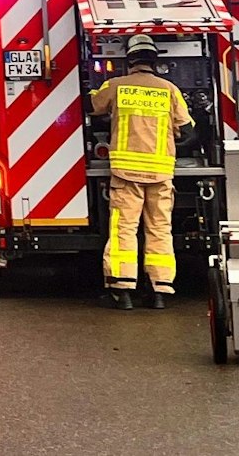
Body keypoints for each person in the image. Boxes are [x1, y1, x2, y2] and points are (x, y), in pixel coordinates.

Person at [88, 33, 193, 310]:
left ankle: (122, 291)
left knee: (124, 229)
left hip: (126, 173)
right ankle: (160, 290)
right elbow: (188, 128)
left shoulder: (116, 85)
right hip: (160, 172)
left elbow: (95, 105)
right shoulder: (169, 89)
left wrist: (93, 90)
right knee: (160, 228)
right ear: (154, 59)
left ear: (129, 59)